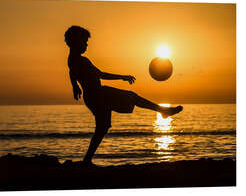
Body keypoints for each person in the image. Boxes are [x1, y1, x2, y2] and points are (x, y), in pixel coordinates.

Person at [64, 26, 183, 164]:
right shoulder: (78, 60)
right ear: (73, 42)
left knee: (103, 127)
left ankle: (87, 160)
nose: (86, 45)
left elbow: (85, 73)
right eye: (83, 42)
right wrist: (75, 85)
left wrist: (75, 86)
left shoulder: (76, 59)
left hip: (97, 95)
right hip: (97, 96)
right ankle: (164, 111)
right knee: (132, 98)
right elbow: (79, 72)